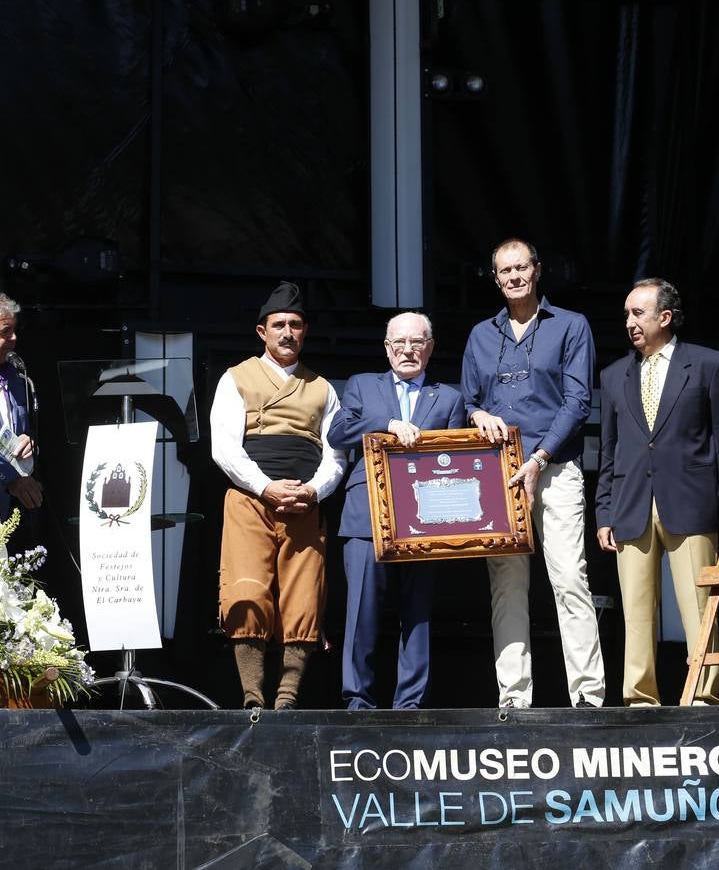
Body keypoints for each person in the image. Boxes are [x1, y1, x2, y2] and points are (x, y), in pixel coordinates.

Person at [460, 237, 606, 708]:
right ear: (496, 278)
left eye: (522, 268)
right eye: (505, 271)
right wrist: (475, 414)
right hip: (498, 476)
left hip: (554, 469)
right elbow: (468, 401)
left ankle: (587, 696)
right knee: (506, 586)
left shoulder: (570, 325)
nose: (514, 277)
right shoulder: (482, 335)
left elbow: (578, 401)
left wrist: (539, 459)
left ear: (538, 271)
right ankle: (514, 698)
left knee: (568, 579)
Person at [594, 277, 719, 706]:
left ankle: (702, 697)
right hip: (630, 505)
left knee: (699, 607)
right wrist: (604, 511)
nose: (629, 322)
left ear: (665, 317)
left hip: (691, 501)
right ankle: (639, 699)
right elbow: (610, 450)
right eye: (626, 314)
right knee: (636, 613)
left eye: (637, 313)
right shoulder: (613, 375)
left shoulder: (709, 365)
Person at [210, 282, 345, 709]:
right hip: (251, 501)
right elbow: (224, 448)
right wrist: (265, 487)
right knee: (246, 589)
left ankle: (287, 697)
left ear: (305, 331)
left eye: (296, 325)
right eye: (279, 325)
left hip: (304, 504)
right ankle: (252, 695)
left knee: (304, 599)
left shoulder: (323, 387)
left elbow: (337, 454)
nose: (288, 332)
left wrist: (312, 490)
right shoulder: (236, 378)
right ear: (262, 331)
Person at [326, 312, 466, 709]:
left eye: (417, 342)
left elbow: (456, 462)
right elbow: (338, 432)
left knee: (418, 616)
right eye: (399, 343)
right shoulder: (362, 385)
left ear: (430, 347)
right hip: (365, 515)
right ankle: (357, 701)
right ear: (386, 348)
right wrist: (387, 423)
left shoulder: (450, 398)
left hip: (427, 519)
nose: (408, 350)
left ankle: (411, 705)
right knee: (361, 614)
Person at [0, 290, 43, 528]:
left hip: (13, 506)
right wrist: (12, 479)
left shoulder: (15, 378)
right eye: (5, 331)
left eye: (14, 330)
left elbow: (22, 433)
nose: (14, 338)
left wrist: (29, 444)